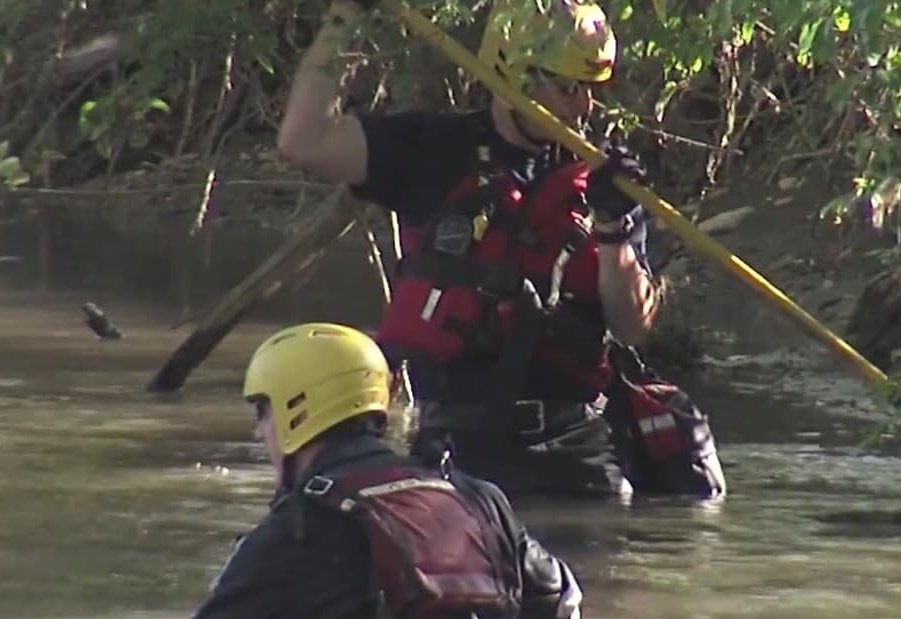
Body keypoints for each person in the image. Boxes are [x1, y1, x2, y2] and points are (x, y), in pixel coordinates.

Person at [275, 0, 661, 498]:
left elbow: (632, 326)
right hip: (454, 451)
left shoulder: (607, 180)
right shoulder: (431, 150)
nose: (583, 107)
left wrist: (615, 229)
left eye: (591, 90)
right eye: (567, 87)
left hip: (572, 448)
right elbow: (303, 142)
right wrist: (345, 18)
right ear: (515, 74)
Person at [177, 322, 583, 619]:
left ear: (293, 411)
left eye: (261, 412)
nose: (258, 430)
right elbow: (565, 616)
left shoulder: (297, 530)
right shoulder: (477, 497)